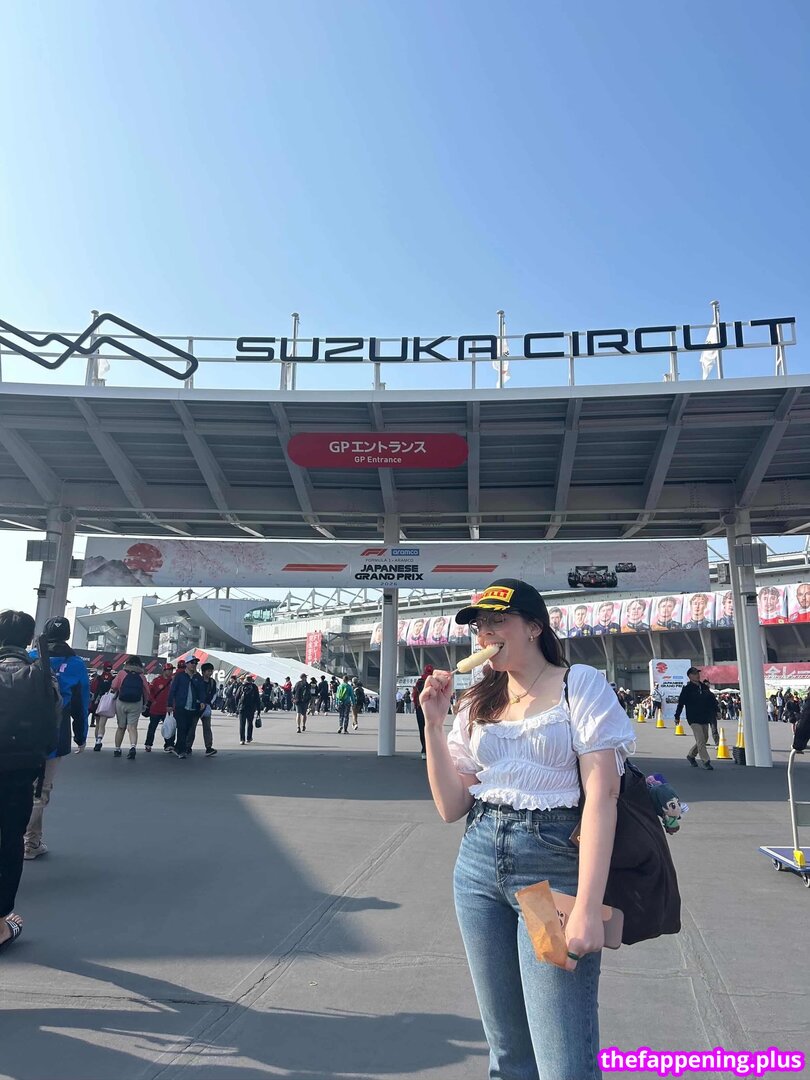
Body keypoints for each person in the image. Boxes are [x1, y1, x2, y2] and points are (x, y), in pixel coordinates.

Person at [419, 578, 635, 1079]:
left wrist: (587, 907)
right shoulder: (477, 700)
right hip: (477, 868)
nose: (485, 635)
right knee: (507, 1050)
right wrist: (432, 723)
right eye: (479, 626)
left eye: (498, 622)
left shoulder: (579, 685)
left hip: (548, 873)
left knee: (562, 1055)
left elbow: (603, 796)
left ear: (535, 627)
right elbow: (451, 806)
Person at [0, 610, 60, 949]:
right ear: (28, 641)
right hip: (21, 771)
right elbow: (52, 728)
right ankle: (1, 923)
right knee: (11, 840)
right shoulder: (40, 674)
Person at [25, 617, 90, 858]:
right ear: (67, 635)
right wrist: (81, 736)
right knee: (40, 790)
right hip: (55, 732)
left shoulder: (30, 657)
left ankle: (18, 838)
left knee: (17, 784)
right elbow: (81, 704)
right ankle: (30, 843)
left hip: (22, 732)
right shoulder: (76, 664)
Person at [675, 666, 718, 770]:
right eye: (694, 674)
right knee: (700, 739)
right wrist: (677, 716)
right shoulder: (687, 689)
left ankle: (691, 755)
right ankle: (706, 761)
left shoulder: (704, 687)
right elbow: (681, 703)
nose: (697, 675)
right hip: (693, 718)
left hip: (704, 717)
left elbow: (712, 700)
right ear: (690, 676)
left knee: (704, 738)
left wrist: (717, 710)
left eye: (698, 673)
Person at [109, 656, 151, 760]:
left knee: (121, 727)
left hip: (121, 702)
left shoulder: (122, 673)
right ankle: (132, 747)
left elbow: (114, 686)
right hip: (136, 703)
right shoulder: (141, 675)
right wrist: (145, 703)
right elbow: (147, 691)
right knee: (132, 727)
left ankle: (117, 749)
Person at [167, 656, 204, 758]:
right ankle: (182, 751)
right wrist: (169, 704)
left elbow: (201, 690)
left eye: (195, 663)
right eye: (192, 662)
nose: (194, 665)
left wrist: (202, 701)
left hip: (193, 707)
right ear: (186, 664)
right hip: (181, 706)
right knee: (182, 728)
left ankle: (178, 747)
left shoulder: (198, 677)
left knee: (188, 729)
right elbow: (172, 690)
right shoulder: (180, 676)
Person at [143, 663, 174, 752]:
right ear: (164, 670)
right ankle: (148, 744)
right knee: (152, 728)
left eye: (171, 670)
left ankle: (169, 744)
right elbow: (149, 691)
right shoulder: (156, 680)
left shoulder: (173, 681)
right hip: (155, 709)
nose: (170, 672)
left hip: (167, 709)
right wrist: (153, 701)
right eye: (169, 670)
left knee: (169, 727)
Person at [412, 665, 433, 760]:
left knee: (422, 729)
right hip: (431, 708)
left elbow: (414, 695)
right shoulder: (433, 681)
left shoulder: (419, 681)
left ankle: (424, 750)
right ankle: (430, 750)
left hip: (420, 708)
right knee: (432, 729)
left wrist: (416, 705)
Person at [197, 662, 219, 755]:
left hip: (206, 707)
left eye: (211, 671)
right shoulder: (198, 680)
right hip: (196, 706)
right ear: (203, 672)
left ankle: (209, 747)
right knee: (191, 727)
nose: (210, 673)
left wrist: (209, 704)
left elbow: (214, 693)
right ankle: (188, 747)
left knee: (207, 727)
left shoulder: (212, 682)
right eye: (208, 671)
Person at [88, 662, 114, 728]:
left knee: (94, 712)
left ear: (103, 668)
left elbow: (93, 688)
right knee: (102, 723)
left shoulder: (98, 677)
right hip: (107, 701)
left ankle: (92, 723)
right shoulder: (113, 678)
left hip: (98, 698)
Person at [238, 676, 261, 744]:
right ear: (251, 680)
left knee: (242, 724)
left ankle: (242, 739)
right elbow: (257, 699)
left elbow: (236, 696)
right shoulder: (254, 687)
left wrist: (238, 707)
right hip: (251, 708)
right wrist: (258, 710)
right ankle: (249, 738)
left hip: (242, 708)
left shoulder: (241, 686)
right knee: (250, 723)